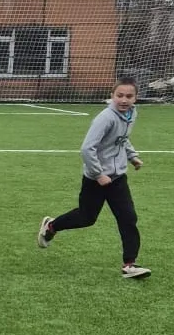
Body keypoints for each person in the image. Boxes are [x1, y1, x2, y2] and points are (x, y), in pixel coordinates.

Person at [37, 78, 150, 279]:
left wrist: (132, 157)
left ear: (135, 98)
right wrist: (99, 174)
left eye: (129, 96)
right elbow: (87, 148)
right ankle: (52, 226)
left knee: (128, 218)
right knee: (86, 218)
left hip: (118, 177)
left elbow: (122, 139)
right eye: (120, 95)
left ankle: (129, 265)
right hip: (95, 179)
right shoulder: (105, 118)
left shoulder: (131, 114)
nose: (124, 100)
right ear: (112, 95)